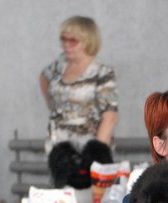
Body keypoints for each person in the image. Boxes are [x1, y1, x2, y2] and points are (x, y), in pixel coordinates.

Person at [39, 16, 118, 153]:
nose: (66, 45)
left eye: (73, 41)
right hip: (58, 147)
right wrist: (52, 105)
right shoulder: (59, 65)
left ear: (88, 41)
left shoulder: (102, 72)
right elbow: (43, 77)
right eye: (63, 39)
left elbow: (110, 117)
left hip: (88, 147)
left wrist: (96, 153)